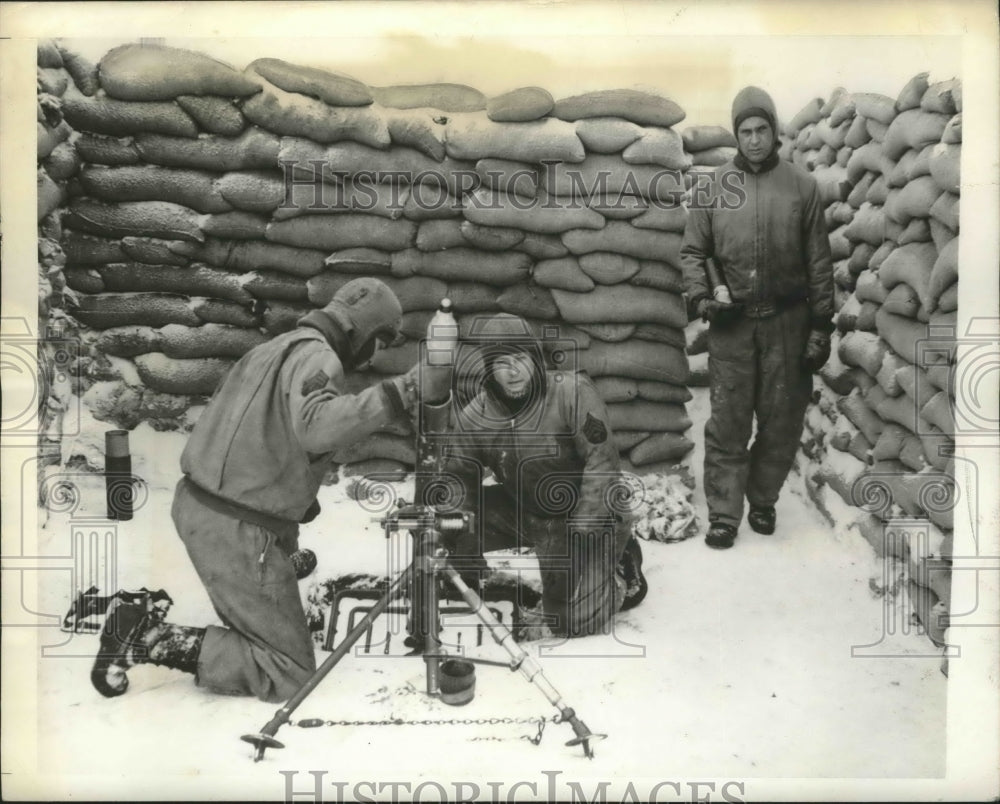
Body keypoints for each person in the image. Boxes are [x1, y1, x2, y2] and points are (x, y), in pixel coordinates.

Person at [91, 278, 449, 702]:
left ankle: (274, 566)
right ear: (362, 332)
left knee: (280, 557)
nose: (372, 357)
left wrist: (289, 486)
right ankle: (145, 636)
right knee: (289, 671)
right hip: (235, 530)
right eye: (378, 343)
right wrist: (401, 391)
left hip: (204, 505)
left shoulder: (275, 347)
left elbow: (246, 425)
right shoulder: (320, 358)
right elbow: (318, 428)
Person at [680, 86, 834, 550]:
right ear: (735, 135)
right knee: (728, 420)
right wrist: (705, 299)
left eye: (761, 129)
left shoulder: (802, 187)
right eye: (744, 131)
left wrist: (821, 325)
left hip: (787, 321)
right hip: (733, 325)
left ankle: (763, 499)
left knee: (782, 419)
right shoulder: (713, 189)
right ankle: (725, 513)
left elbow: (819, 263)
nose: (753, 139)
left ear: (774, 130)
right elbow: (693, 253)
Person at [433, 314, 648, 640]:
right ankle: (471, 575)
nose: (513, 371)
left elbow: (601, 463)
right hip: (526, 511)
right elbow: (459, 475)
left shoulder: (572, 392)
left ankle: (621, 567)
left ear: (534, 358)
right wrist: (460, 538)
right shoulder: (477, 415)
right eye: (501, 362)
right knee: (444, 525)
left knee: (570, 621)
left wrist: (584, 535)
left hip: (586, 515)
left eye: (520, 358)